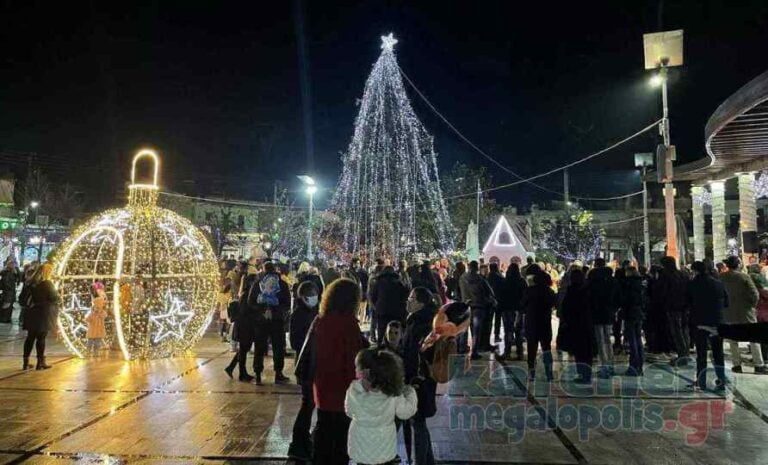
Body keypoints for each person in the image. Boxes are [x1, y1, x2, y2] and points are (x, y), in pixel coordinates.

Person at [311, 278, 367, 465]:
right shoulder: (349, 325)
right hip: (343, 388)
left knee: (324, 428)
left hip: (322, 384)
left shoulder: (321, 321)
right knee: (341, 438)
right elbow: (354, 361)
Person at [345, 348, 417, 465]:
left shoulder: (354, 391)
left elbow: (349, 411)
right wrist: (410, 392)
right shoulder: (392, 395)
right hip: (384, 452)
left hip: (360, 451)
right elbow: (406, 412)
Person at [401, 287, 438, 465]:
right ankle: (428, 461)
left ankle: (420, 462)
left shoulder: (422, 324)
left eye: (412, 298)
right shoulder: (417, 320)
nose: (408, 300)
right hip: (419, 379)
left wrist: (413, 380)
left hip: (418, 381)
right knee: (419, 422)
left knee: (417, 422)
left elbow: (418, 354)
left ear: (422, 303)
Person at [287, 280, 320, 460]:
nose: (314, 298)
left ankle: (302, 440)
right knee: (307, 405)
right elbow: (294, 342)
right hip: (306, 365)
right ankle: (298, 442)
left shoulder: (315, 312)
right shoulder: (299, 314)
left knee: (309, 405)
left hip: (313, 365)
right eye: (310, 295)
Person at [719, 256, 766, 374]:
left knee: (733, 339)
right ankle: (758, 365)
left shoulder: (721, 277)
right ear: (738, 265)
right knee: (753, 337)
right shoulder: (744, 277)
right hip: (746, 311)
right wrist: (752, 305)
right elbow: (755, 293)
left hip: (728, 312)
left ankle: (737, 365)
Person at [687, 260, 729, 391]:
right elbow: (726, 302)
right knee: (718, 353)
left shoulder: (693, 284)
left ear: (695, 271)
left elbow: (688, 302)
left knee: (701, 354)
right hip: (717, 321)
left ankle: (701, 382)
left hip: (700, 322)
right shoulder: (718, 283)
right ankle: (722, 380)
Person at [249, 261, 291, 385]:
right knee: (278, 347)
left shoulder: (258, 284)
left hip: (261, 321)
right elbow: (287, 304)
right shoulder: (282, 284)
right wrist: (276, 311)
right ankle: (278, 373)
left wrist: (262, 311)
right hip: (277, 320)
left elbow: (251, 302)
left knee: (260, 347)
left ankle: (258, 373)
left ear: (263, 270)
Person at [521, 265, 556, 381]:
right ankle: (549, 373)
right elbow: (554, 305)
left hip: (531, 322)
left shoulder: (529, 291)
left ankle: (531, 373)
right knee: (546, 349)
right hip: (545, 322)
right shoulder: (550, 292)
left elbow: (522, 305)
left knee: (532, 349)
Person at [558, 269, 593, 383]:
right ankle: (587, 374)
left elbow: (566, 308)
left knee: (579, 351)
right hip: (587, 324)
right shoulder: (588, 290)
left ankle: (582, 374)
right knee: (587, 351)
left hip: (575, 325)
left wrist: (565, 321)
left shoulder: (571, 291)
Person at [23, 263, 59, 370]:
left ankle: (25, 362)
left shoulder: (30, 282)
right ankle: (40, 362)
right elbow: (54, 298)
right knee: (41, 338)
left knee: (30, 337)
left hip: (31, 313)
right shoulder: (47, 283)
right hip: (43, 313)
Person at [658, 256, 692, 367]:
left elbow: (663, 291)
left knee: (677, 332)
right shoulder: (683, 274)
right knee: (684, 331)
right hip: (685, 307)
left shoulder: (666, 276)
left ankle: (682, 356)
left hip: (673, 307)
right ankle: (685, 354)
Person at [587, 258, 618, 378]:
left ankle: (604, 366)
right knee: (607, 340)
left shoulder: (593, 279)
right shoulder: (612, 280)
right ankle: (610, 365)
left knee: (600, 341)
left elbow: (589, 297)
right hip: (609, 313)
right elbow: (617, 297)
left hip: (597, 314)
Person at [459, 260, 496, 360]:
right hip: (479, 307)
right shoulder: (480, 279)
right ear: (477, 268)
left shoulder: (462, 278)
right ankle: (475, 351)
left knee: (464, 329)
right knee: (476, 331)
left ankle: (462, 347)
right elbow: (489, 292)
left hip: (466, 306)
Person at [370, 266, 409, 344]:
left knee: (381, 331)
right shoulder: (398, 282)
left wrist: (377, 307)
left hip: (382, 311)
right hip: (396, 312)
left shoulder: (378, 282)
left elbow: (373, 297)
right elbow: (404, 296)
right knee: (394, 331)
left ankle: (380, 347)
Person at [620, 267, 646, 375]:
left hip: (630, 314)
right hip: (639, 314)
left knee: (632, 341)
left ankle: (633, 366)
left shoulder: (628, 284)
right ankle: (639, 365)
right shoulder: (641, 284)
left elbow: (625, 300)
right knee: (638, 339)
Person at [500, 263, 526, 360]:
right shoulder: (522, 281)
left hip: (507, 309)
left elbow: (501, 296)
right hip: (518, 309)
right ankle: (520, 353)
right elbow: (525, 295)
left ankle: (507, 352)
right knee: (519, 332)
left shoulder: (505, 281)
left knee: (508, 331)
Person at [486, 262, 505, 345]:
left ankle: (487, 337)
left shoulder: (487, 277)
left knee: (489, 320)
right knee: (498, 319)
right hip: (499, 300)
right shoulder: (499, 277)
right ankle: (496, 336)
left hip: (489, 301)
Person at [86, 282, 108, 353]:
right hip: (96, 326)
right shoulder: (100, 293)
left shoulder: (96, 294)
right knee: (95, 339)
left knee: (95, 339)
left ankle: (93, 350)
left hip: (95, 326)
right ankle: (95, 349)